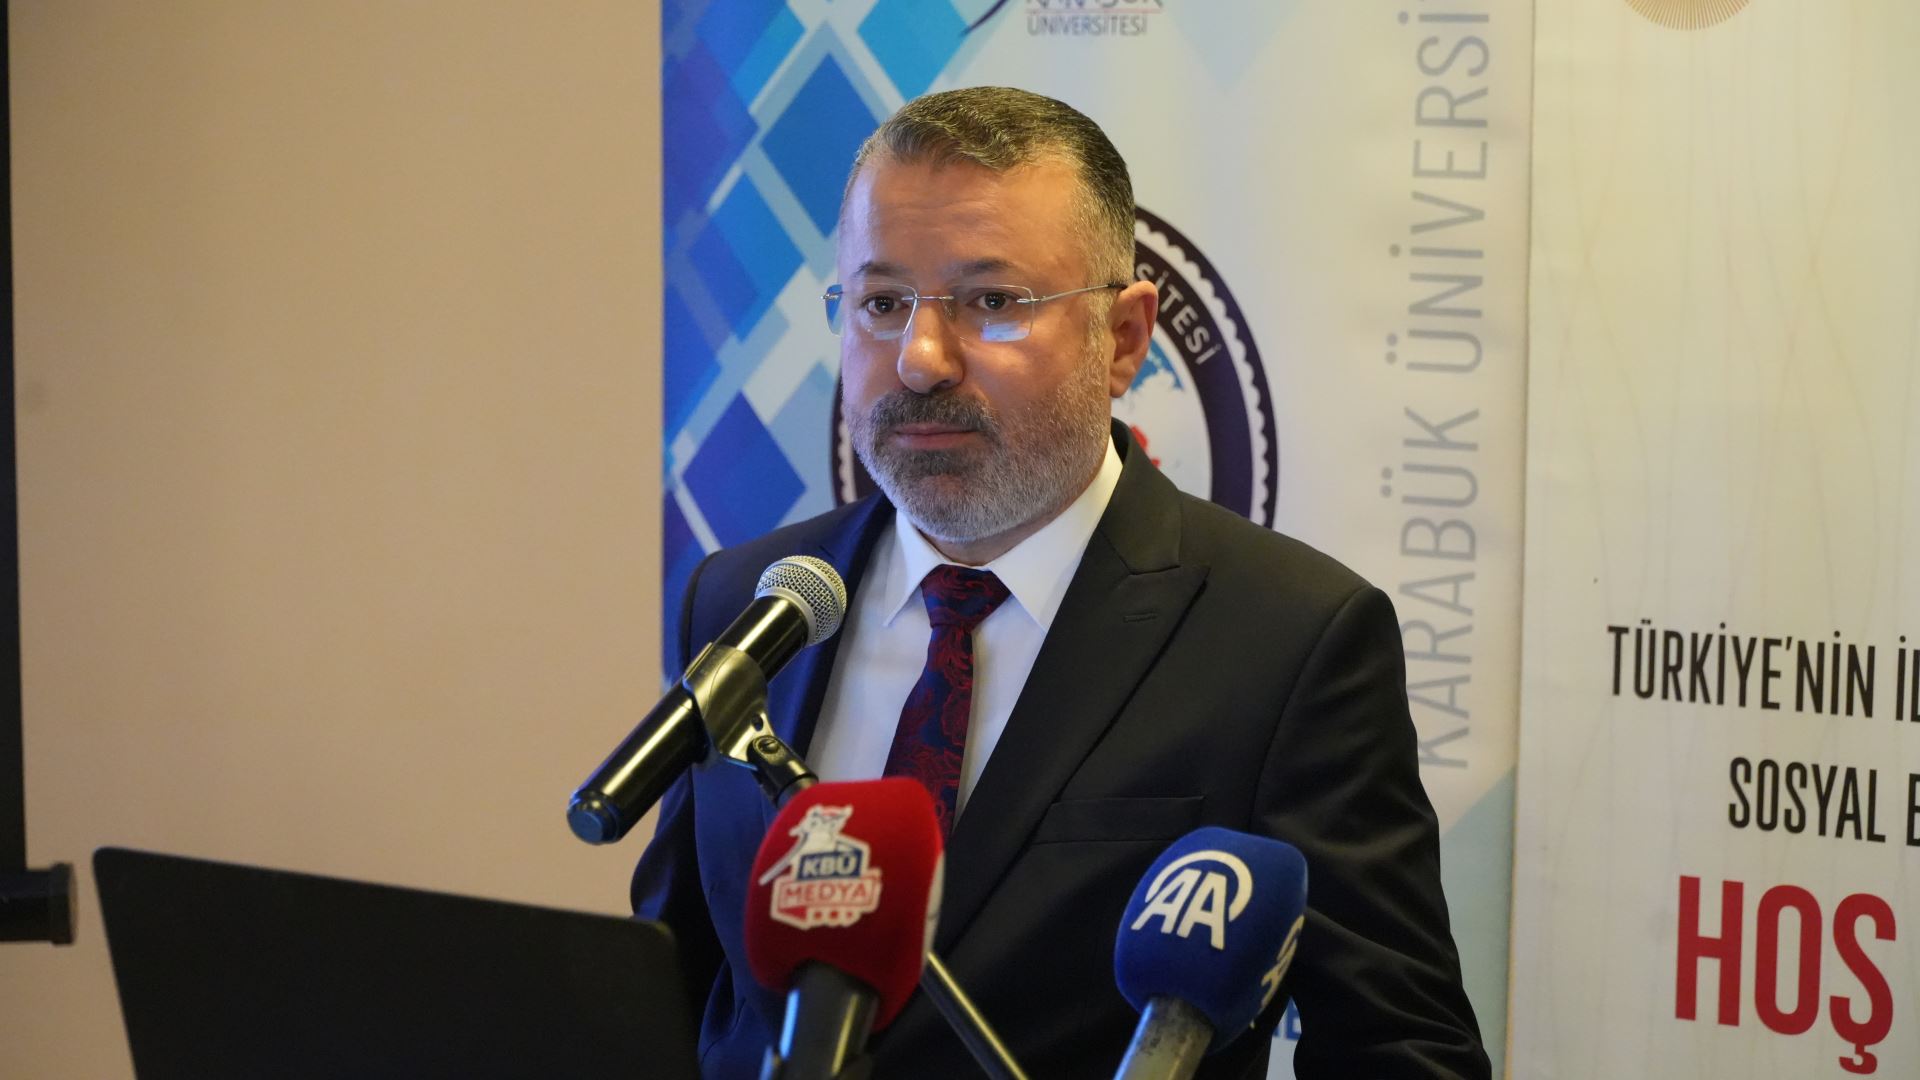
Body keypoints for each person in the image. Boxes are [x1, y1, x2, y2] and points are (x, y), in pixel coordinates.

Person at [634, 86, 1489, 1079]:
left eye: (992, 302)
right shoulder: (745, 602)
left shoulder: (1289, 642)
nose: (920, 360)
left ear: (1122, 338)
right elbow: (671, 991)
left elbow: (1401, 1051)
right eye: (881, 304)